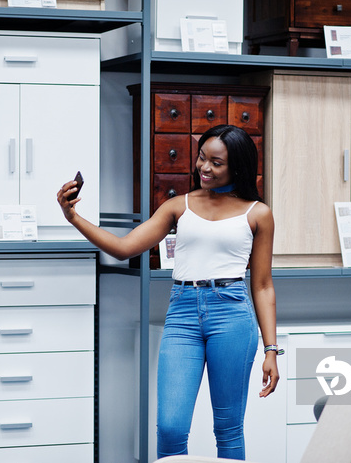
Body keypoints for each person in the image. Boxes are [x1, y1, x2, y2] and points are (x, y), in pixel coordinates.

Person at [57, 124, 280, 460]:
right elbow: (123, 248)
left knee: (228, 428)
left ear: (238, 166)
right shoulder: (179, 206)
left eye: (216, 163)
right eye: (202, 158)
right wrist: (74, 217)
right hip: (183, 316)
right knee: (172, 427)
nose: (204, 168)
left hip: (232, 315)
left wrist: (271, 349)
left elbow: (262, 285)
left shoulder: (258, 213)